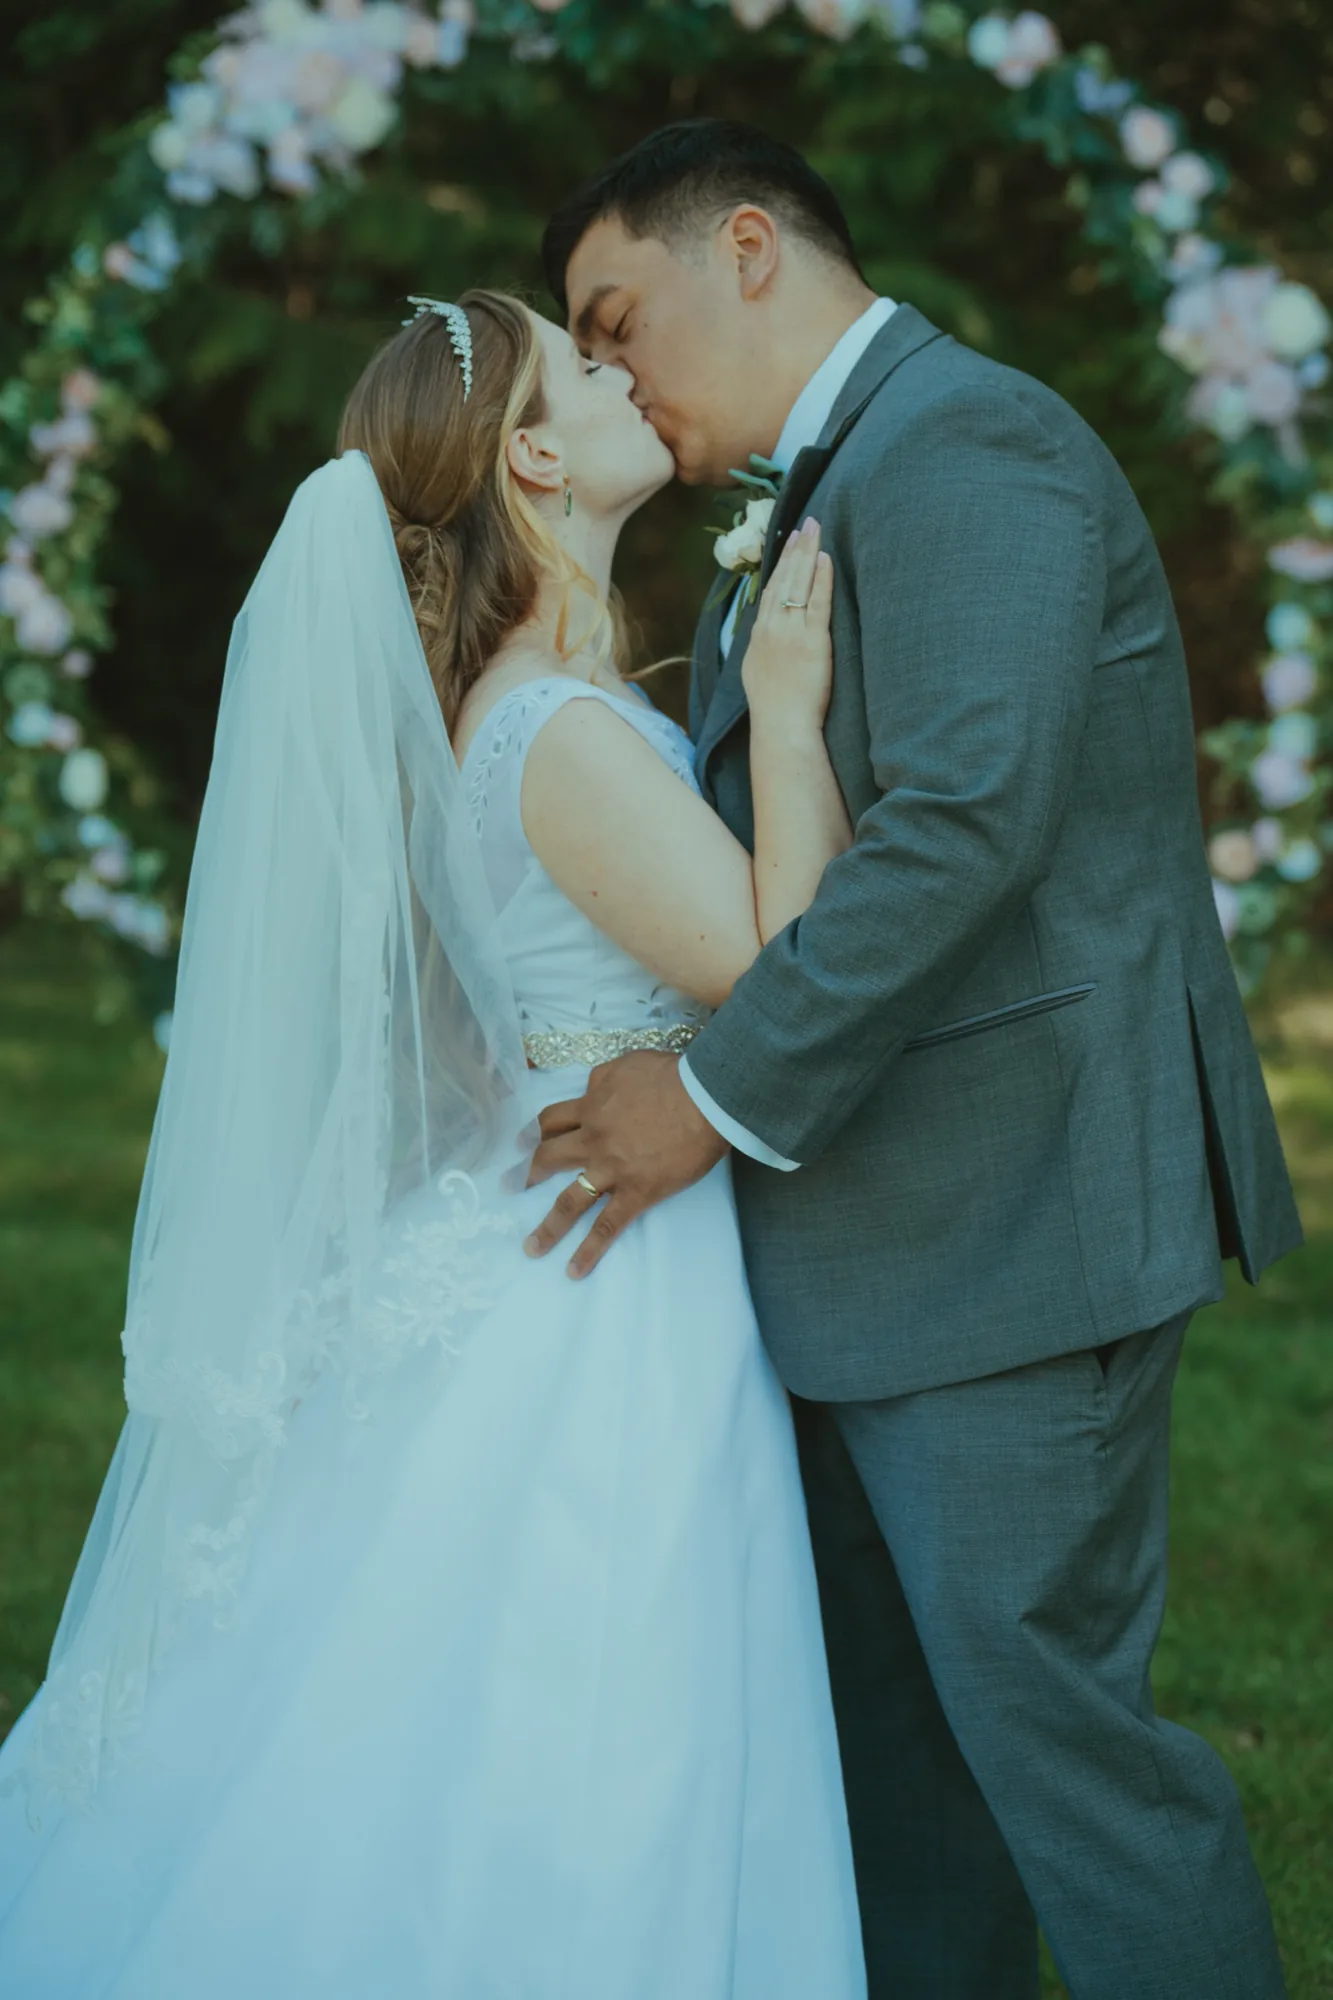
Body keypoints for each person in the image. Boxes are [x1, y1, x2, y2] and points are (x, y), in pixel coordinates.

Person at [0, 291, 868, 1996]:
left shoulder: (527, 712)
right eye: (586, 365)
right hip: (613, 1274)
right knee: (594, 1679)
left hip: (575, 1205)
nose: (627, 372)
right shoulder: (555, 728)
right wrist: (784, 710)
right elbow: (784, 969)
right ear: (534, 456)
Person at [530, 118, 1304, 1999]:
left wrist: (710, 1097)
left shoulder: (973, 448)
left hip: (1018, 1226)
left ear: (747, 247)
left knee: (1064, 1763)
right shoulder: (830, 479)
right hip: (885, 1241)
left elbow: (966, 825)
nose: (613, 374)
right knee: (902, 1785)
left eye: (619, 321)